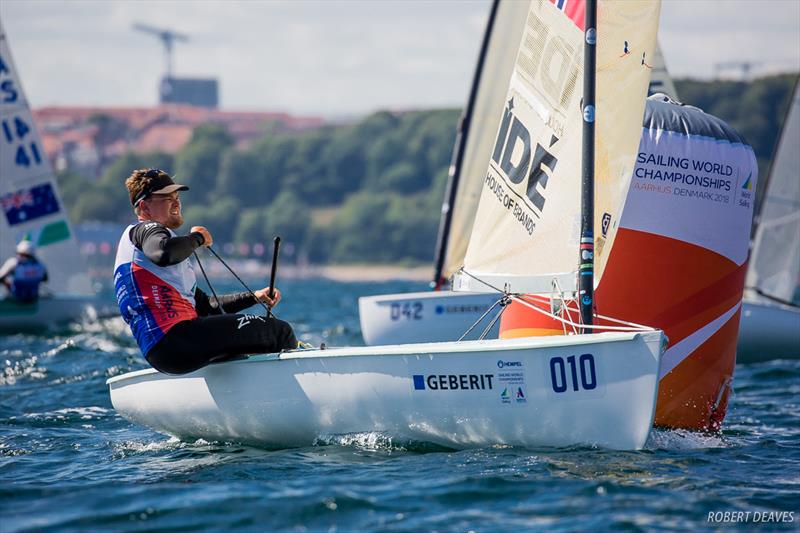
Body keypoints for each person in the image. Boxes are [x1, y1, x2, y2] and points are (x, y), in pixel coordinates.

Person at [114, 168, 299, 375]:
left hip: (167, 351)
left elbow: (206, 306)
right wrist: (197, 239)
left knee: (246, 345)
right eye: (166, 198)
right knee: (279, 332)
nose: (176, 202)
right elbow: (164, 253)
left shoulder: (148, 256)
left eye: (177, 197)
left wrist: (254, 298)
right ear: (143, 206)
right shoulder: (145, 231)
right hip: (176, 339)